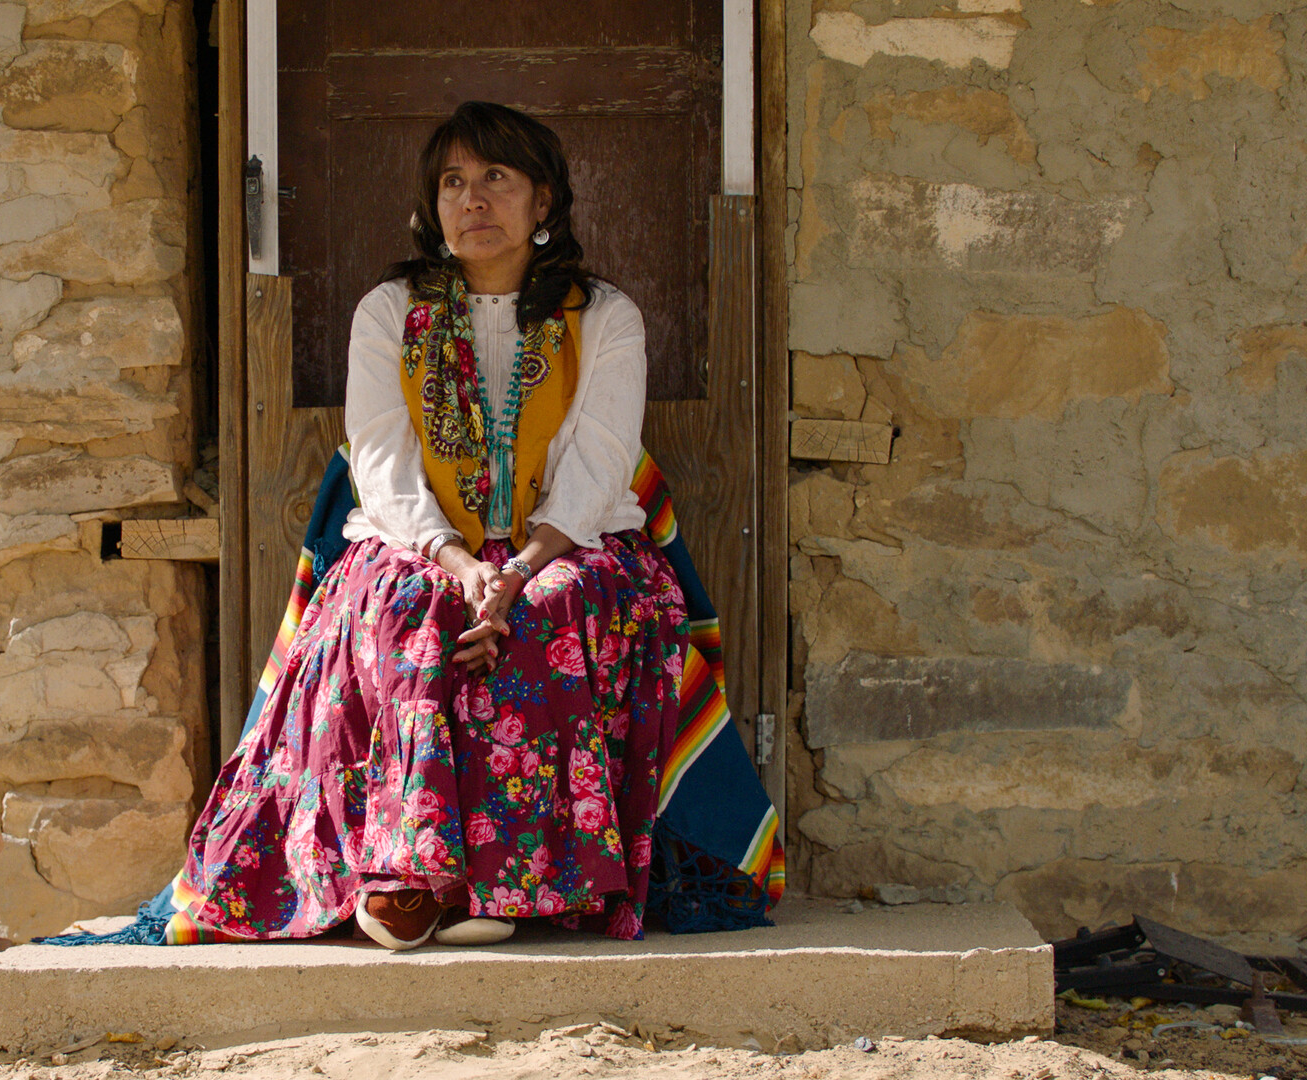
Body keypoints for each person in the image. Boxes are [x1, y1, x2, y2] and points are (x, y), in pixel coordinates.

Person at [43, 100, 781, 955]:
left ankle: (517, 885)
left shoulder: (604, 316)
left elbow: (599, 461)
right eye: (453, 183)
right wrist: (461, 564)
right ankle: (415, 878)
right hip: (422, 540)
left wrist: (520, 569)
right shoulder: (388, 313)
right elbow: (383, 464)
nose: (473, 200)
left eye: (496, 179)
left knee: (555, 613)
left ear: (544, 202)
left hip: (569, 541)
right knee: (407, 612)